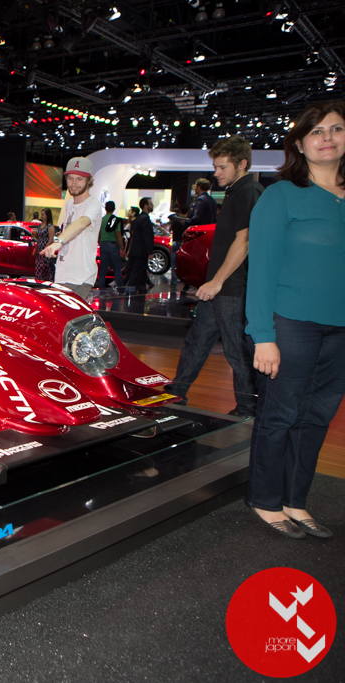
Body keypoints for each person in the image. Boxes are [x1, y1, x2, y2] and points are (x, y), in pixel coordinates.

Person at [244, 101, 345, 539]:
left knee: (317, 417)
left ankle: (295, 500)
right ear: (300, 145)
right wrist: (262, 335)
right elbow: (262, 269)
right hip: (290, 324)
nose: (328, 138)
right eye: (316, 131)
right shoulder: (281, 195)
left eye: (336, 129)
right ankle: (265, 500)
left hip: (341, 330)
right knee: (280, 415)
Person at [165, 135, 263, 417]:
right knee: (197, 342)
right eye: (215, 167)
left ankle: (248, 409)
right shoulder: (235, 191)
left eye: (222, 167)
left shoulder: (249, 191)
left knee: (236, 351)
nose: (216, 173)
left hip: (231, 288)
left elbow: (245, 240)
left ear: (241, 164)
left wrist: (218, 281)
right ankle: (176, 394)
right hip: (219, 288)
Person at [39, 157, 103, 299]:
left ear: (90, 180)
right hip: (63, 274)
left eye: (80, 179)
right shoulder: (69, 204)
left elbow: (81, 223)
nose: (74, 184)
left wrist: (58, 242)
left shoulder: (93, 204)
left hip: (79, 277)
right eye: (70, 178)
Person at [124, 198, 155, 294]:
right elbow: (147, 236)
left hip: (135, 250)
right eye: (150, 204)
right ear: (146, 205)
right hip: (141, 251)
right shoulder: (145, 219)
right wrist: (150, 251)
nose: (152, 205)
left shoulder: (138, 219)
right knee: (137, 272)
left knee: (139, 271)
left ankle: (142, 289)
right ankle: (129, 291)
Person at [95, 201, 125, 290]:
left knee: (103, 268)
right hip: (113, 245)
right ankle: (120, 287)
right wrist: (122, 248)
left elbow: (98, 233)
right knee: (117, 268)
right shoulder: (115, 220)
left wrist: (100, 242)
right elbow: (118, 234)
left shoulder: (101, 220)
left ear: (105, 208)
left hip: (103, 245)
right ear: (114, 209)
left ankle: (101, 287)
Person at [34, 208, 56, 281]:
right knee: (39, 267)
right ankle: (39, 281)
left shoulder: (50, 226)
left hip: (45, 249)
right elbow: (37, 237)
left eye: (43, 214)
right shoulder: (40, 225)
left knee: (46, 268)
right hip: (39, 248)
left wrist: (45, 249)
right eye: (41, 214)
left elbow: (51, 239)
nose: (41, 216)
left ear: (47, 215)